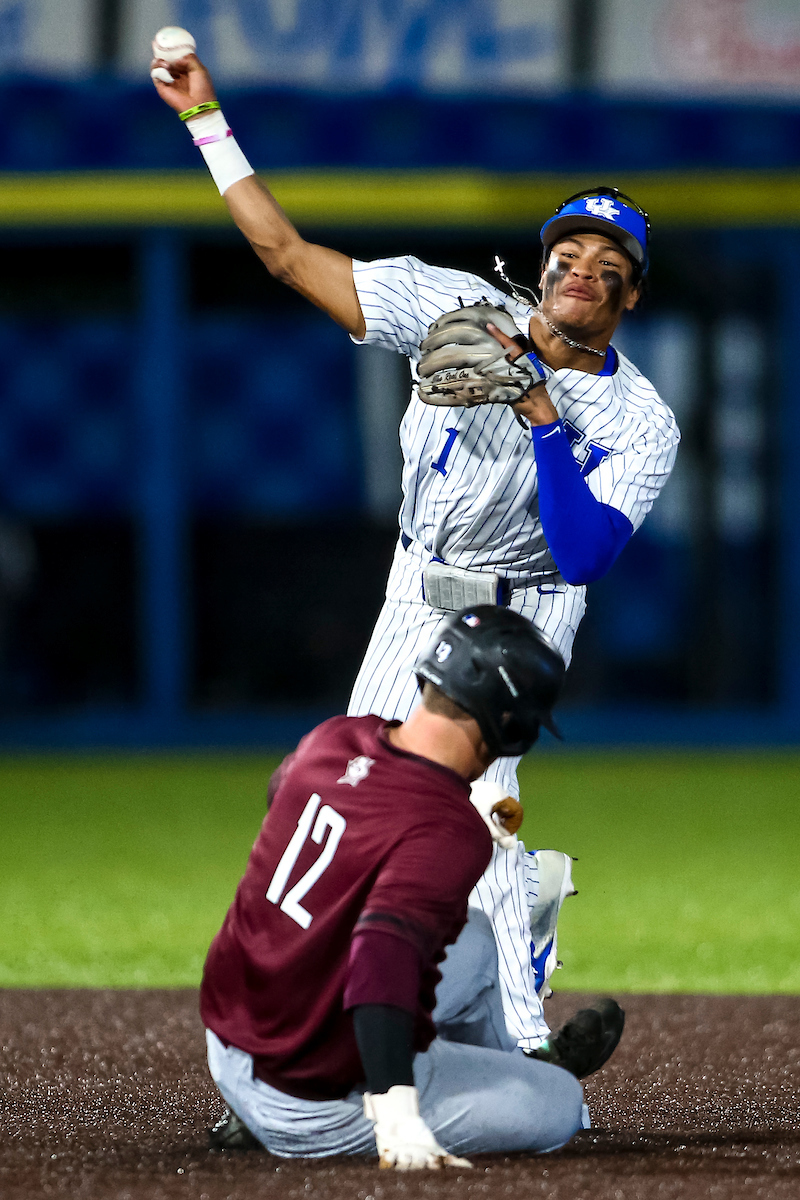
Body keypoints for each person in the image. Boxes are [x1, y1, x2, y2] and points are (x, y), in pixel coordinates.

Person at [151, 51, 678, 1055]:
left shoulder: (637, 420)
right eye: (569, 249)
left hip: (527, 609)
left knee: (472, 808)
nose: (583, 266)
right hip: (415, 590)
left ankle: (524, 1046)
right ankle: (312, 1028)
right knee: (345, 799)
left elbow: (577, 554)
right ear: (544, 261)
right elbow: (283, 254)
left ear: (629, 295)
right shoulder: (450, 307)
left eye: (608, 262)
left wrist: (538, 418)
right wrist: (204, 119)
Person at [200, 604, 610, 1167]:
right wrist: (397, 1117)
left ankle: (487, 1065)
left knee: (472, 936)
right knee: (560, 1104)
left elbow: (283, 794)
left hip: (232, 1042)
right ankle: (449, 1083)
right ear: (511, 727)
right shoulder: (447, 832)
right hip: (307, 1101)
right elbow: (380, 961)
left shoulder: (335, 738)